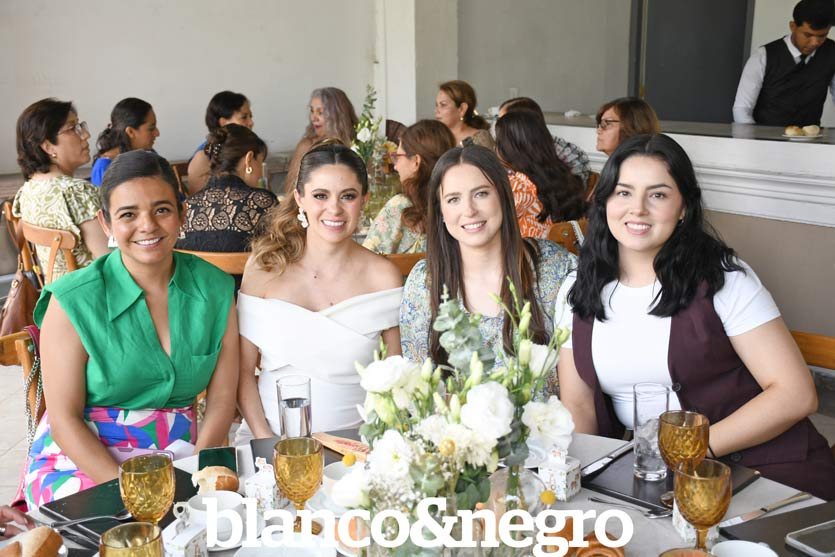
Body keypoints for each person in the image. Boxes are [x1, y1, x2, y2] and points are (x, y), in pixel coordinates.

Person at [556, 134, 835, 500]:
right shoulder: (578, 287)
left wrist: (690, 451)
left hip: (762, 470)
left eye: (658, 195)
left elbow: (796, 394)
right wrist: (582, 477)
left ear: (683, 207)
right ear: (605, 200)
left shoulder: (724, 279)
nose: (637, 209)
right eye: (624, 192)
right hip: (652, 480)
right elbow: (578, 403)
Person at [23, 150, 239, 507]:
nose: (147, 225)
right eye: (128, 214)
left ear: (182, 213)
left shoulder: (215, 288)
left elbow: (221, 401)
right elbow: (64, 422)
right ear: (106, 223)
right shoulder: (72, 300)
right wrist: (136, 496)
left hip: (179, 455)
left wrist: (198, 476)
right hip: (83, 461)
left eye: (162, 210)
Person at [236, 143, 402, 441]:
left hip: (357, 446)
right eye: (320, 195)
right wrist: (266, 442)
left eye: (348, 196)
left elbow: (398, 379)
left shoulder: (383, 278)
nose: (334, 209)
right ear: (299, 198)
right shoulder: (264, 268)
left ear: (364, 200)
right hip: (268, 440)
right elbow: (242, 372)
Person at [400, 145, 576, 395]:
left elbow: (580, 390)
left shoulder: (554, 268)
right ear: (441, 212)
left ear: (503, 197)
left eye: (481, 194)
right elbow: (420, 387)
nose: (469, 210)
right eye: (453, 199)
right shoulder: (424, 282)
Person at [13, 98, 109, 282]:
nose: (86, 135)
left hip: (55, 294)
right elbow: (111, 262)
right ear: (48, 146)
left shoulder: (28, 190)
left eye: (80, 126)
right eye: (72, 128)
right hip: (91, 295)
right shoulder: (76, 192)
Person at [177, 124, 277, 253]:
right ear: (249, 159)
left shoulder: (186, 207)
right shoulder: (262, 201)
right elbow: (283, 250)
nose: (260, 173)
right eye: (260, 162)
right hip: (247, 267)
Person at [734, 0, 835, 126]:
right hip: (765, 135)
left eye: (822, 36)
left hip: (811, 136)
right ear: (793, 26)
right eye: (808, 35)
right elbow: (742, 109)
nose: (815, 42)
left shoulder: (832, 52)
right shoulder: (763, 56)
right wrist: (753, 136)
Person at [363, 120, 455, 254]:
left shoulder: (400, 206)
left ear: (416, 162)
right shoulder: (455, 204)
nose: (395, 166)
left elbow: (365, 258)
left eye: (398, 157)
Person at [495, 109, 587, 239]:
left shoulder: (518, 186)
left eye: (497, 141)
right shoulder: (563, 174)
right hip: (558, 249)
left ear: (507, 148)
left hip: (527, 250)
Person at [498, 96, 591, 186]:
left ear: (522, 125)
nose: (499, 127)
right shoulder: (504, 151)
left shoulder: (569, 154)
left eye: (503, 122)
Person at [284, 88, 358, 195]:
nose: (314, 118)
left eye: (320, 112)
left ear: (338, 115)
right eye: (312, 111)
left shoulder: (359, 144)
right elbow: (291, 189)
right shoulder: (306, 146)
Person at [187, 91, 254, 195]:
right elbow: (198, 200)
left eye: (251, 116)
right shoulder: (203, 156)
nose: (251, 123)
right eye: (244, 117)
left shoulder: (249, 150)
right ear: (223, 122)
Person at [91, 98, 159, 186]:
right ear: (130, 132)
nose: (157, 133)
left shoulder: (149, 155)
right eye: (151, 129)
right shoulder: (104, 168)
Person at [435, 80, 495, 149]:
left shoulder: (480, 139)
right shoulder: (434, 138)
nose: (436, 110)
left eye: (443, 105)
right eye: (436, 105)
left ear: (462, 109)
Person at [595, 97, 660, 156]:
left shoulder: (642, 164)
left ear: (632, 127)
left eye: (607, 123)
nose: (598, 131)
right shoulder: (617, 164)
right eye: (600, 124)